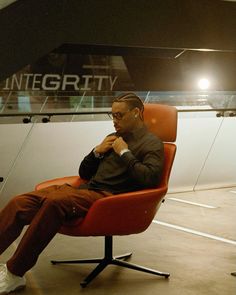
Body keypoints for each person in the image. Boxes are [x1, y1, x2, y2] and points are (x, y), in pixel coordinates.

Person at [0, 92, 164, 294]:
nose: (114, 121)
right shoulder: (112, 138)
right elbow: (84, 173)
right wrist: (96, 151)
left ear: (136, 113)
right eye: (112, 115)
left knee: (54, 203)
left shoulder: (152, 143)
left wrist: (124, 153)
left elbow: (150, 179)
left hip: (108, 198)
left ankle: (15, 273)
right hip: (84, 191)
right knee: (19, 202)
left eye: (119, 115)